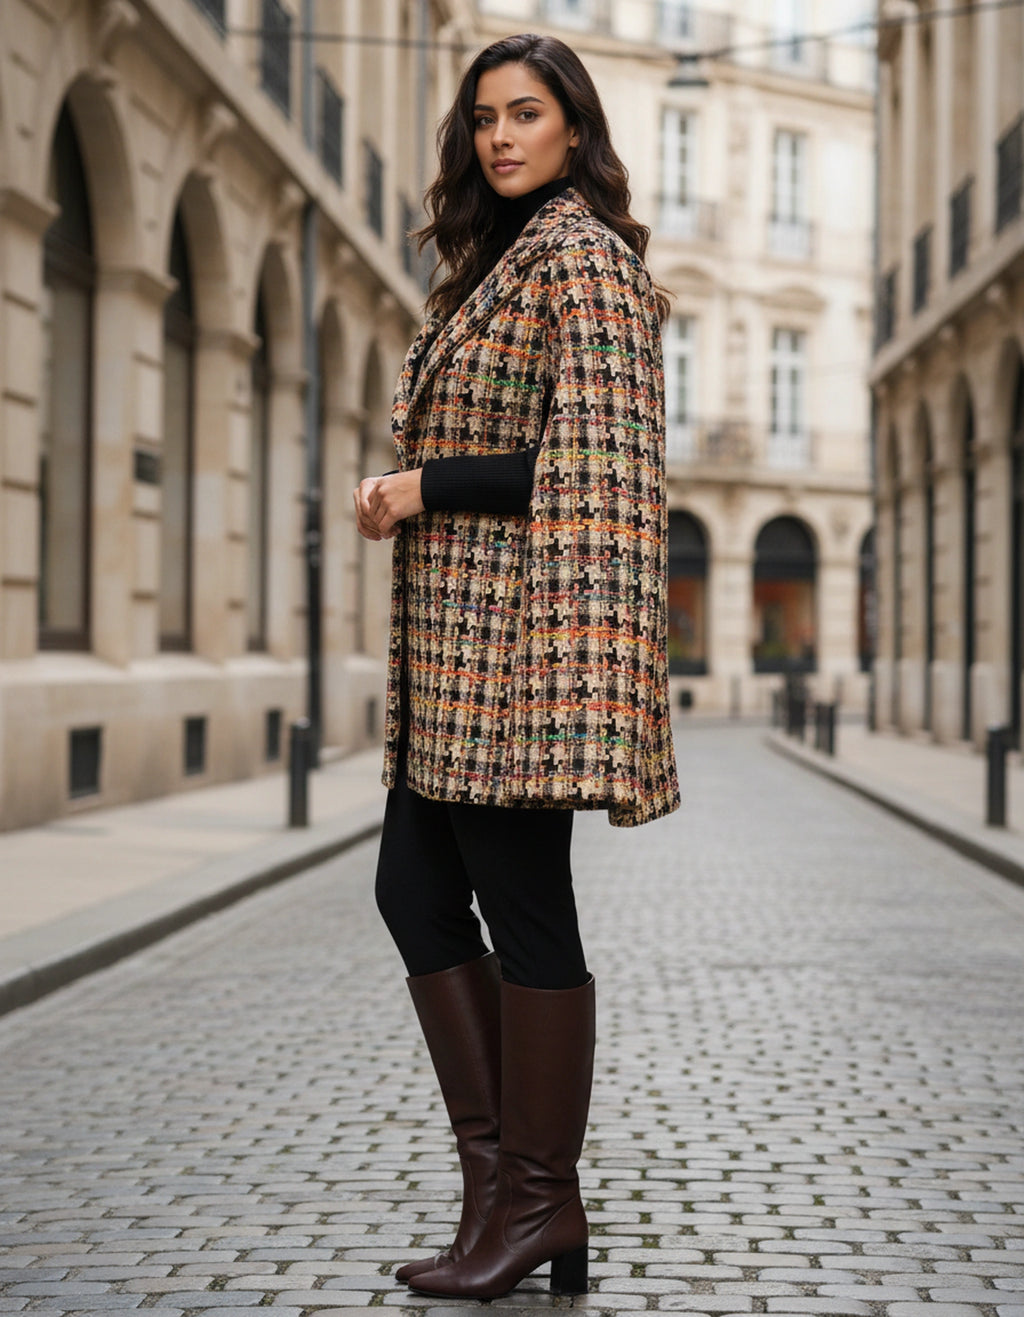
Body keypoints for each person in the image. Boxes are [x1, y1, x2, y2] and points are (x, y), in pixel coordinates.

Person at [352, 32, 680, 1301]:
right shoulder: (495, 264)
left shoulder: (582, 260)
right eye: (483, 115)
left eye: (526, 113)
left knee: (524, 910)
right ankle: (508, 1194)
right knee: (411, 892)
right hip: (456, 655)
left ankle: (535, 1200)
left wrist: (417, 483)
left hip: (518, 660)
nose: (499, 136)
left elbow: (600, 468)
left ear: (571, 128)